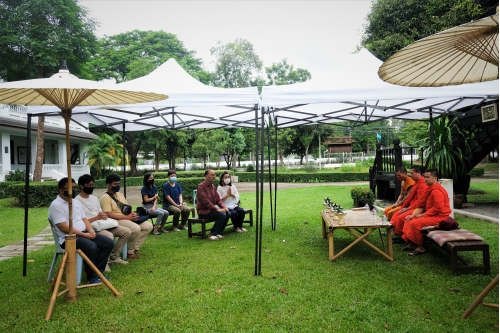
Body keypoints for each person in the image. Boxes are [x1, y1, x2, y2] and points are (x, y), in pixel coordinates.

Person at [49, 177, 114, 284]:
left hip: (83, 233)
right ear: (61, 190)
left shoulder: (75, 202)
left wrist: (90, 230)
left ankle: (98, 272)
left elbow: (84, 219)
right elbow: (64, 228)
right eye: (70, 188)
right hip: (68, 238)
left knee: (108, 243)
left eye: (75, 187)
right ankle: (92, 277)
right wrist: (85, 236)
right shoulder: (56, 205)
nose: (73, 190)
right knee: (91, 247)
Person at [75, 174, 130, 266]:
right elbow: (81, 221)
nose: (91, 187)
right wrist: (96, 218)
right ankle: (104, 262)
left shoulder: (94, 198)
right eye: (89, 185)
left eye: (93, 185)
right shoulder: (76, 201)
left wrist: (103, 215)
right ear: (81, 186)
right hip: (92, 227)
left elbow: (101, 212)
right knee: (108, 236)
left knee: (126, 231)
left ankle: (114, 256)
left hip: (103, 224)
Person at [100, 174, 153, 259]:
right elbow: (109, 214)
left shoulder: (120, 194)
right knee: (136, 228)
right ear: (108, 184)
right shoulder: (105, 197)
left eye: (118, 183)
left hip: (127, 218)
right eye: (115, 184)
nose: (117, 186)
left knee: (148, 226)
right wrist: (128, 218)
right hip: (116, 220)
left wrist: (133, 214)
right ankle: (129, 252)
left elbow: (127, 206)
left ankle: (135, 248)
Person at [401, 169, 451, 256]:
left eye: (428, 177)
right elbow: (422, 206)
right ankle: (413, 243)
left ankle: (420, 247)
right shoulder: (429, 189)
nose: (425, 179)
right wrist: (413, 215)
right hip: (431, 214)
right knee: (409, 220)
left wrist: (423, 215)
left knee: (415, 224)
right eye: (425, 177)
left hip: (440, 216)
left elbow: (438, 209)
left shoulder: (437, 191)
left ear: (435, 178)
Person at [390, 165, 426, 241]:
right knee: (397, 214)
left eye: (412, 173)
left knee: (401, 217)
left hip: (418, 208)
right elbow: (408, 196)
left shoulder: (423, 184)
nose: (410, 175)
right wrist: (403, 206)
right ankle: (397, 233)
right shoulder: (417, 183)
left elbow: (420, 202)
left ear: (419, 173)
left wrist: (406, 208)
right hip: (413, 206)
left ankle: (404, 237)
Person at [196, 169, 230, 241]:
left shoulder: (213, 186)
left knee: (227, 213)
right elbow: (206, 201)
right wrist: (217, 209)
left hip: (211, 211)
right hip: (203, 212)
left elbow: (218, 199)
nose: (214, 176)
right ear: (206, 176)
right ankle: (212, 233)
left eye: (214, 175)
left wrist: (224, 207)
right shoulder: (201, 187)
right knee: (222, 214)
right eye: (212, 175)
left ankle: (218, 232)